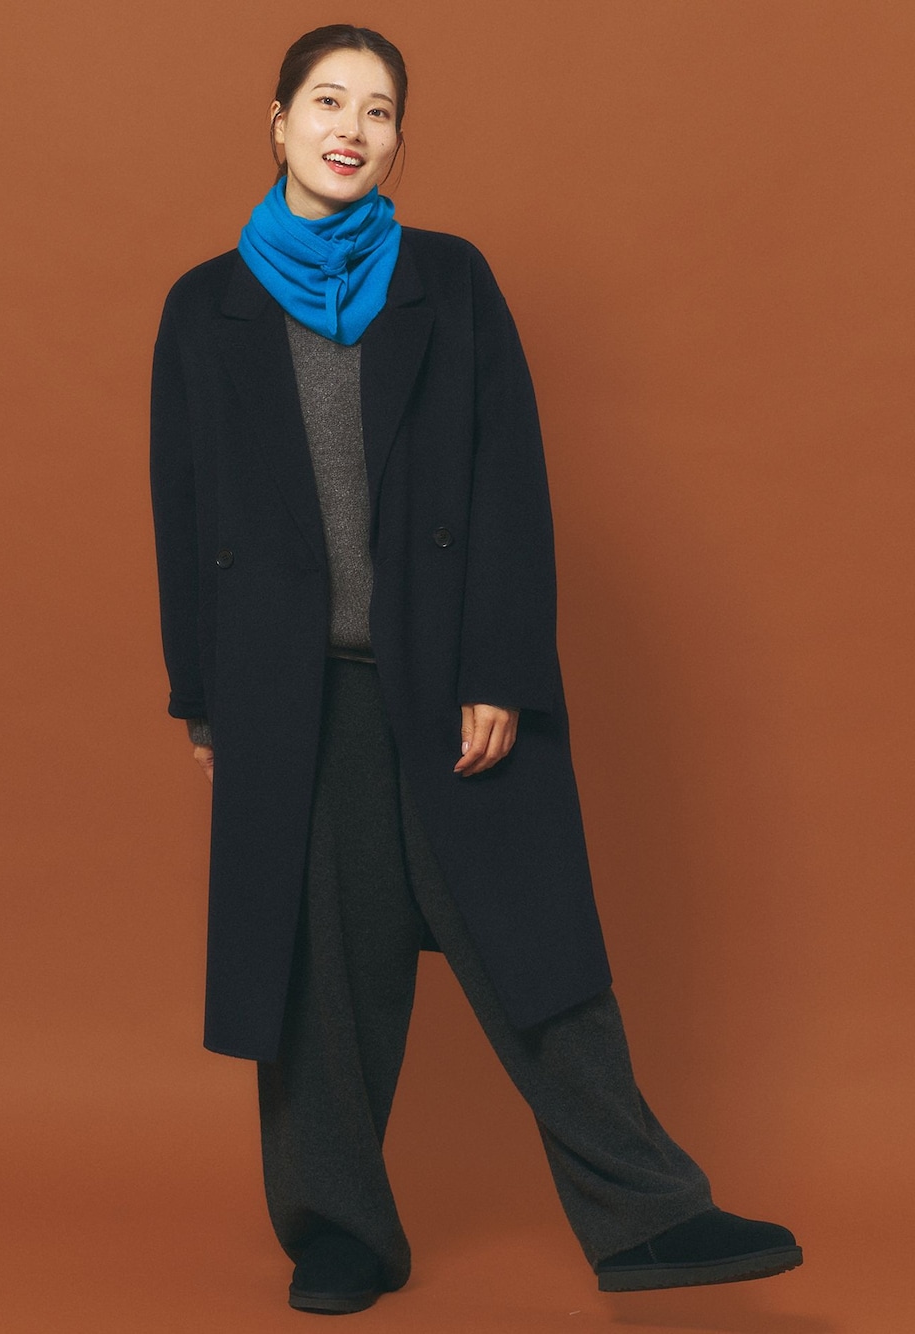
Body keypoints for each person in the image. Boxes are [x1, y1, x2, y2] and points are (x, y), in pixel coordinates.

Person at [149, 23, 802, 1316]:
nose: (351, 128)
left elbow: (512, 480)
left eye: (378, 110)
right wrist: (205, 698)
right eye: (327, 101)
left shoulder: (448, 281)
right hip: (294, 691)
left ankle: (652, 1216)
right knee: (317, 980)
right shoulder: (202, 306)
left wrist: (500, 665)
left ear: (399, 142)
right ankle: (340, 1231)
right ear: (276, 120)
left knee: (535, 947)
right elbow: (182, 510)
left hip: (444, 675)